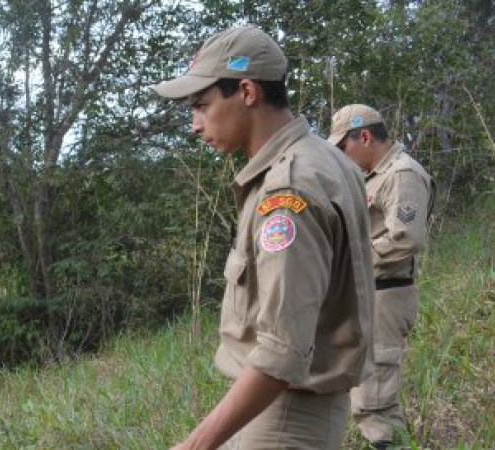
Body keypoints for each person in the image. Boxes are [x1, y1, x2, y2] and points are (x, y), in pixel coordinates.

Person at [153, 27, 376, 450]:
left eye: (201, 105)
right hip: (287, 408)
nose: (195, 125)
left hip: (284, 416)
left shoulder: (287, 190)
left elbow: (282, 353)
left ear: (247, 91)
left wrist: (194, 445)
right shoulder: (325, 158)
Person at [328, 104, 435, 449]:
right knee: (365, 391)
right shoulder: (371, 176)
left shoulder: (403, 174)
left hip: (386, 294)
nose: (343, 156)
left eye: (344, 147)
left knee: (375, 401)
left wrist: (351, 263)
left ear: (364, 136)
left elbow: (405, 239)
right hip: (367, 294)